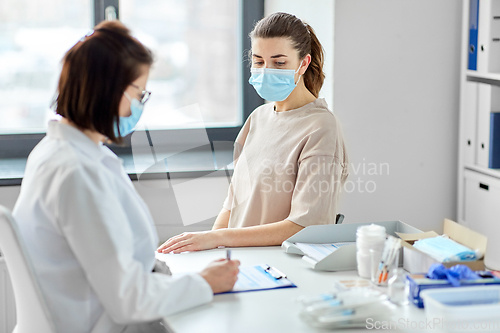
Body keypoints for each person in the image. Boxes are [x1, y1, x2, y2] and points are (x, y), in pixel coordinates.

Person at [12, 21, 239, 333]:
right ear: (107, 90)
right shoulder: (76, 172)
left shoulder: (64, 153)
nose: (139, 104)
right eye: (138, 93)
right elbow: (127, 299)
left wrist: (187, 278)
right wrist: (203, 284)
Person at [157, 12, 349, 254]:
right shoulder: (258, 117)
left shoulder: (321, 128)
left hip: (279, 268)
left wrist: (216, 239)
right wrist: (208, 249)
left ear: (303, 63)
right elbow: (233, 202)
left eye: (279, 63)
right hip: (237, 259)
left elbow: (305, 226)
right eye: (259, 61)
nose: (267, 70)